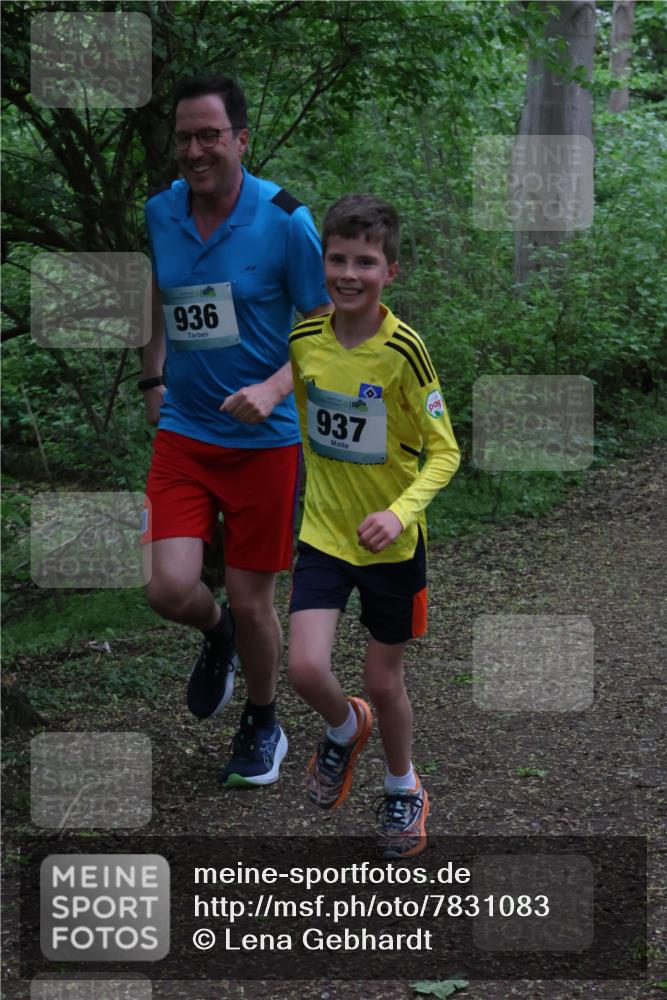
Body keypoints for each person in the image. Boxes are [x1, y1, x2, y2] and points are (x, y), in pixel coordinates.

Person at [139, 75, 330, 788]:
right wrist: (152, 378)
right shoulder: (162, 212)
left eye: (209, 135)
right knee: (167, 588)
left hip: (265, 442)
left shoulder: (285, 218)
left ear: (240, 140)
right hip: (185, 434)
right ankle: (212, 633)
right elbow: (162, 299)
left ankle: (261, 719)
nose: (195, 149)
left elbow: (325, 327)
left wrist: (276, 386)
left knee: (254, 601)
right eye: (185, 137)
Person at [287, 194, 460, 858]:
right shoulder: (305, 340)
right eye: (337, 259)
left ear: (390, 271)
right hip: (324, 535)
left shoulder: (404, 352)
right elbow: (306, 423)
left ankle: (402, 785)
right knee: (305, 667)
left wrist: (398, 511)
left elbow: (444, 450)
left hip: (391, 545)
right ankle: (342, 727)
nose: (348, 274)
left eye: (365, 261)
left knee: (384, 682)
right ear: (323, 262)